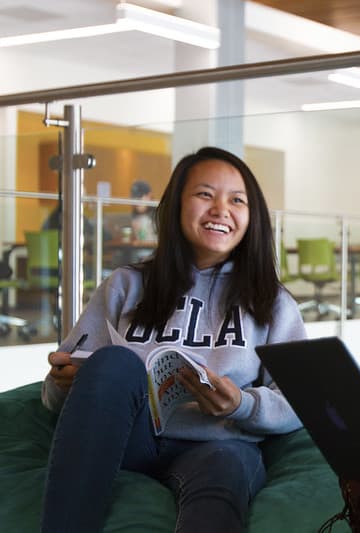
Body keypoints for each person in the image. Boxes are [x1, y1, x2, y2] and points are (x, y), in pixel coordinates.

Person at [40, 146, 307, 533]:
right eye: (204, 194)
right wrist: (65, 384)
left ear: (253, 218)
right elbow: (56, 396)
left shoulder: (272, 303)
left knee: (224, 471)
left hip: (218, 445)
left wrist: (242, 404)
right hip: (130, 438)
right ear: (176, 207)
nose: (220, 209)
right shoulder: (125, 285)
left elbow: (300, 401)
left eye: (237, 200)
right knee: (115, 362)